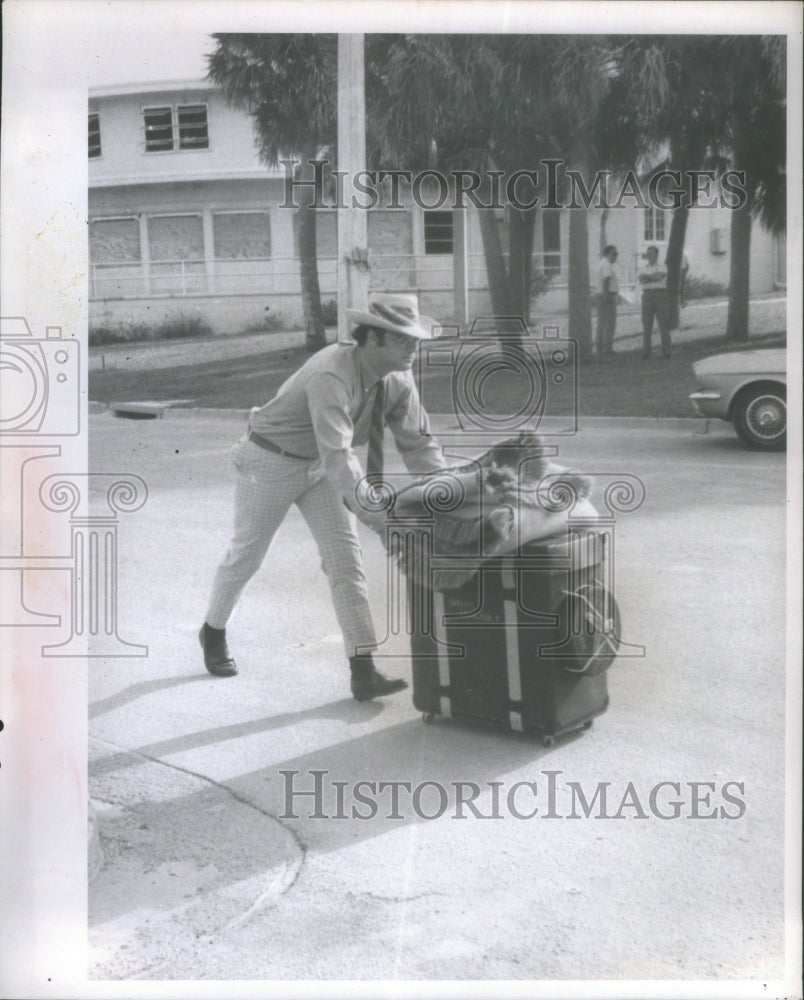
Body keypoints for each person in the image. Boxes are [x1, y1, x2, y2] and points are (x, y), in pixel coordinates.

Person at [200, 292, 448, 700]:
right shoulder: (331, 375)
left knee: (345, 561)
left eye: (415, 338)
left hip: (320, 466)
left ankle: (363, 669)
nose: (413, 347)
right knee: (247, 555)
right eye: (403, 339)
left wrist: (447, 496)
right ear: (371, 339)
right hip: (270, 460)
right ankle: (212, 631)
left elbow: (420, 447)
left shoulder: (399, 379)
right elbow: (341, 461)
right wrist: (385, 522)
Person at [637, 245, 672, 359]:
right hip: (647, 296)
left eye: (652, 253)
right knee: (647, 325)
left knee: (663, 324)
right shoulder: (643, 267)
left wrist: (648, 277)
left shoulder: (662, 266)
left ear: (657, 254)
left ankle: (666, 351)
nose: (649, 256)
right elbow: (642, 280)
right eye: (648, 254)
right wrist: (651, 277)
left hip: (660, 295)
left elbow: (660, 277)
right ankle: (646, 352)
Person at [595, 245, 619, 355]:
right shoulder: (607, 265)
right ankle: (607, 348)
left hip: (600, 295)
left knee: (601, 323)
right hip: (607, 295)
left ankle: (600, 347)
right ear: (608, 253)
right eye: (614, 254)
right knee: (609, 323)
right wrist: (607, 294)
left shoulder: (601, 263)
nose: (616, 256)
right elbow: (606, 280)